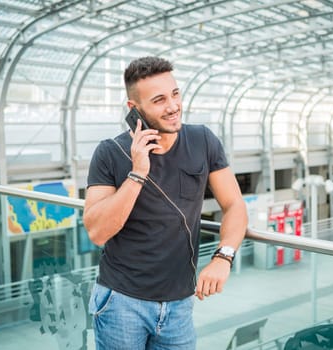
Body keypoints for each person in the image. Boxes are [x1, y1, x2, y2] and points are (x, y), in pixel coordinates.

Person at [83, 56, 248, 350]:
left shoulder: (203, 140)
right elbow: (97, 232)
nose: (173, 106)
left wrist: (224, 257)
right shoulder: (109, 153)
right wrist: (138, 173)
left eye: (175, 94)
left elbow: (234, 204)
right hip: (121, 301)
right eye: (159, 100)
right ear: (135, 110)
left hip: (180, 305)